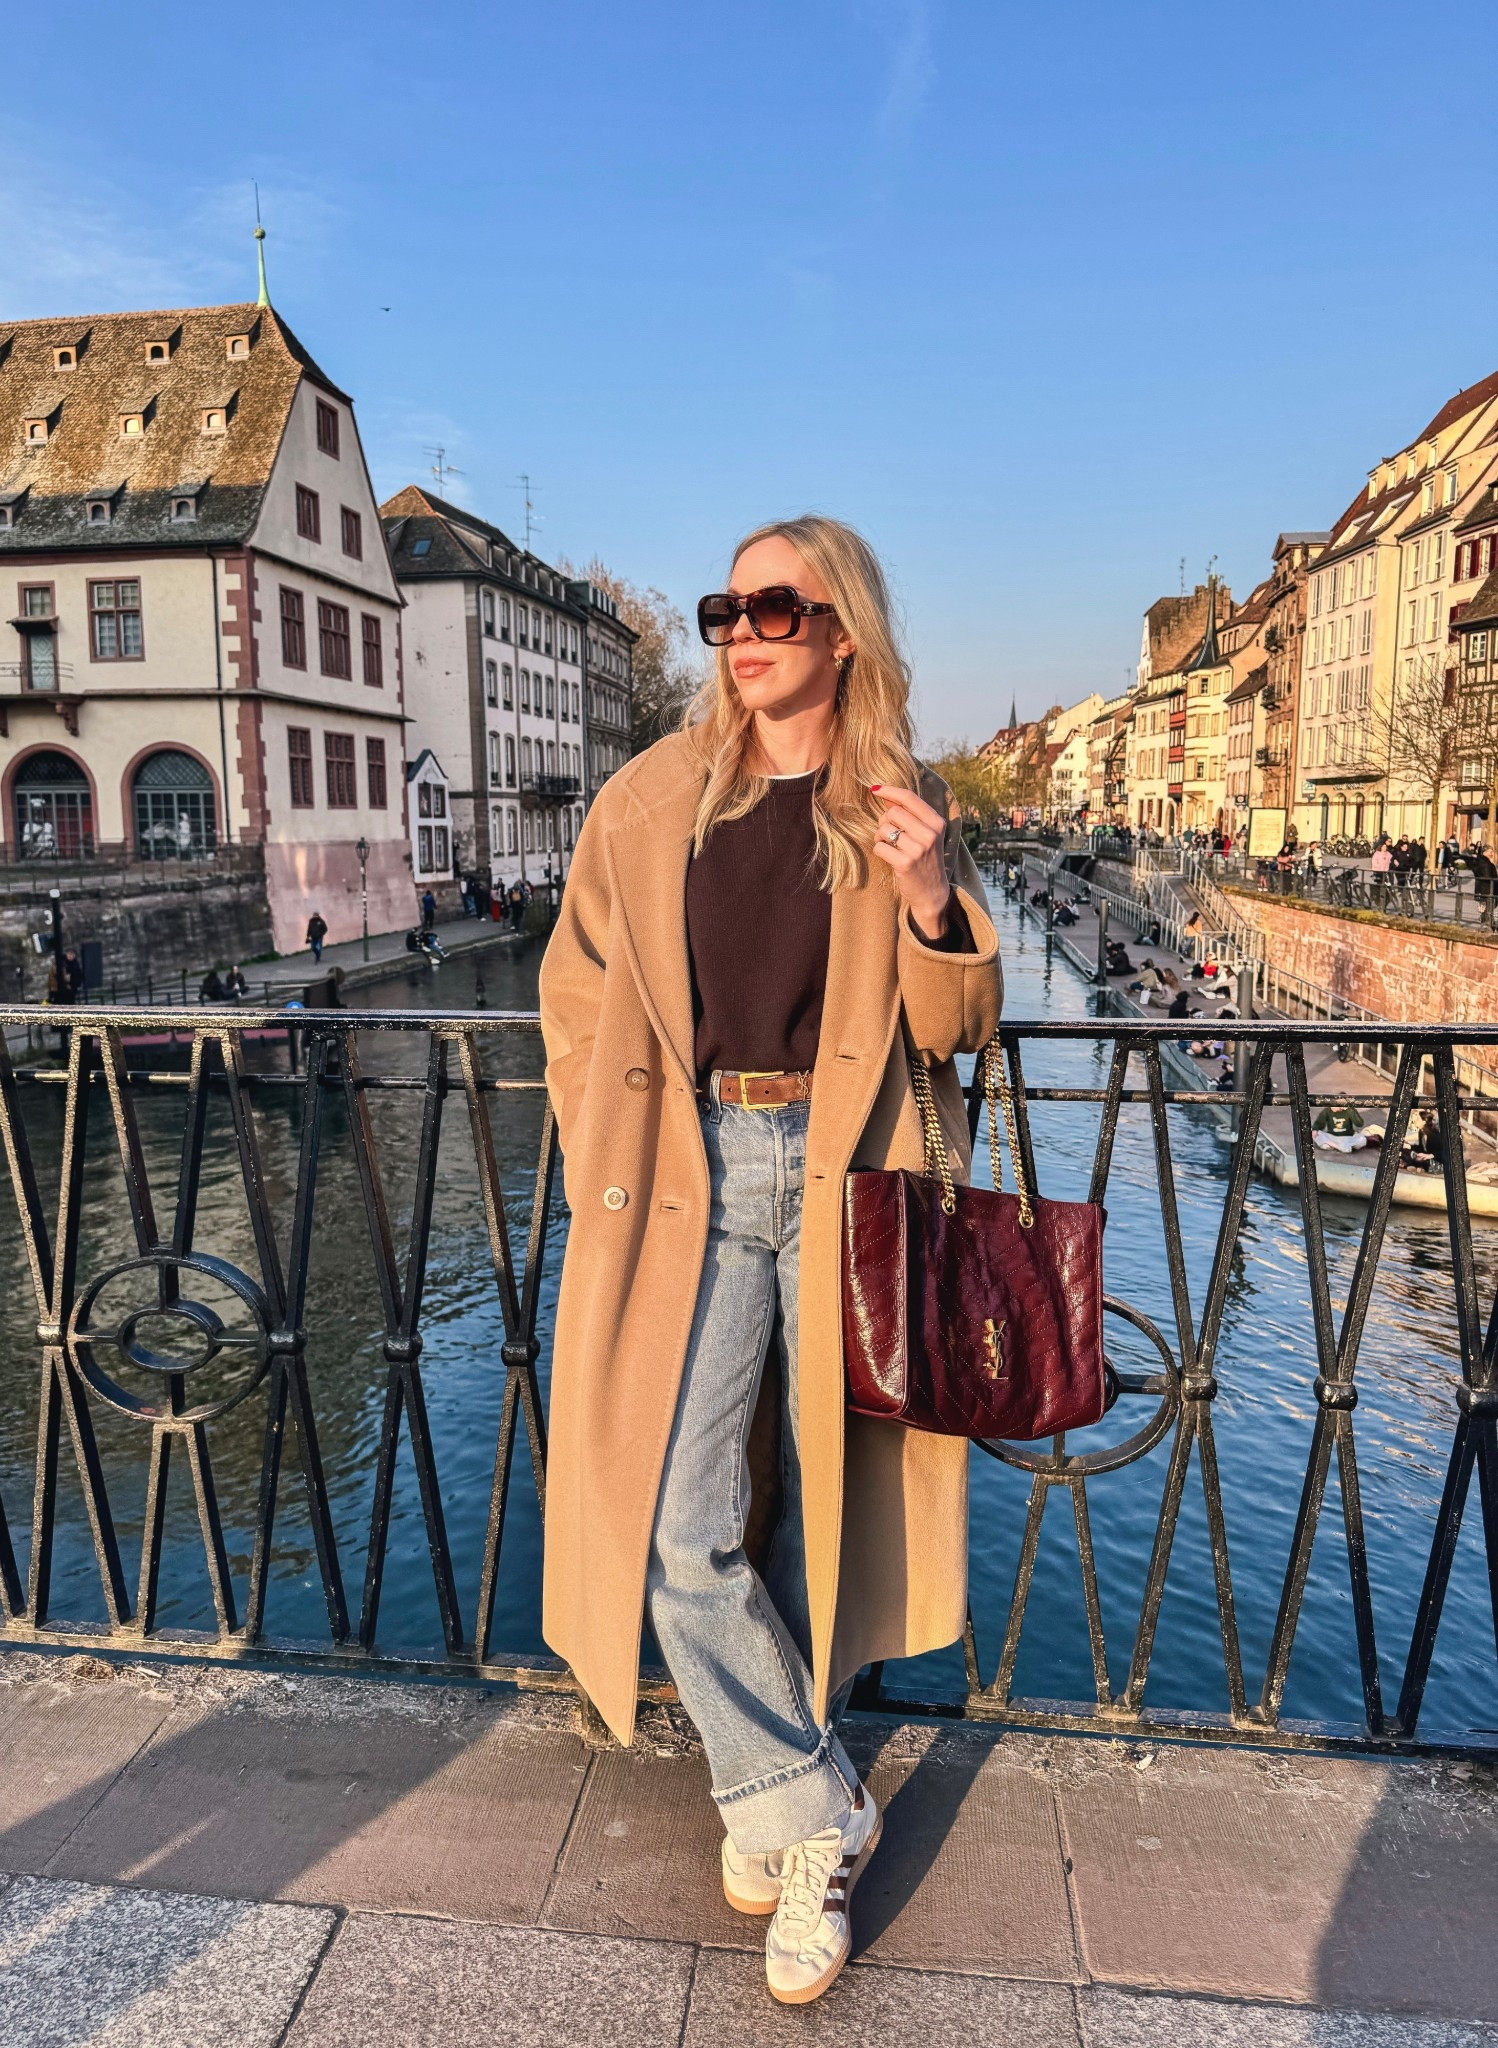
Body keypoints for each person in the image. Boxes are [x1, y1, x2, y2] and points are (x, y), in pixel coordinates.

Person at [538, 514, 1001, 2007]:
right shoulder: (652, 793)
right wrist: (596, 1124)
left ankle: (772, 1793)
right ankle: (812, 1810)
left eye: (774, 608)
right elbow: (575, 981)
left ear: (840, 632)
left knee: (820, 1510)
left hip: (844, 1181)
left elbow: (954, 1032)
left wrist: (933, 905)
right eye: (724, 607)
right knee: (678, 1523)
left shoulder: (894, 801)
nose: (741, 631)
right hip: (685, 1176)